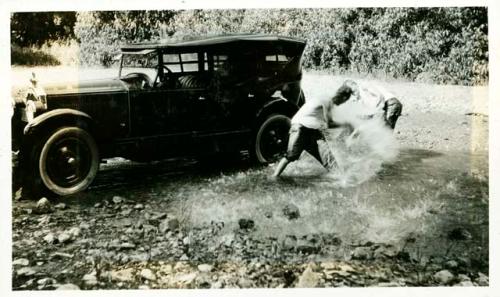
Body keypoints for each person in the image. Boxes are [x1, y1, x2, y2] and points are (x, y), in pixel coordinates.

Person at [272, 79, 403, 178]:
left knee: (329, 162)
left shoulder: (329, 101)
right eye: (343, 101)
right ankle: (274, 177)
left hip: (313, 130)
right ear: (341, 97)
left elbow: (327, 124)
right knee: (291, 156)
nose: (342, 104)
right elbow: (329, 124)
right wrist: (347, 125)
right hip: (300, 126)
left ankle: (340, 180)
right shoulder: (327, 100)